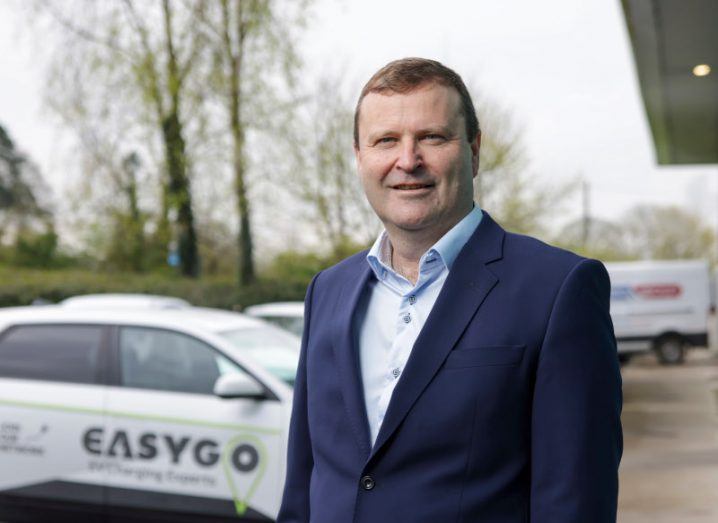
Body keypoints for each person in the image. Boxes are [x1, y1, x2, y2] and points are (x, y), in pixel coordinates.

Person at [278, 57, 622, 523]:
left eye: (432, 137)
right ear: (360, 157)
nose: (407, 161)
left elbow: (574, 501)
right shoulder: (328, 290)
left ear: (473, 152)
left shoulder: (559, 289)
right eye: (385, 141)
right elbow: (304, 481)